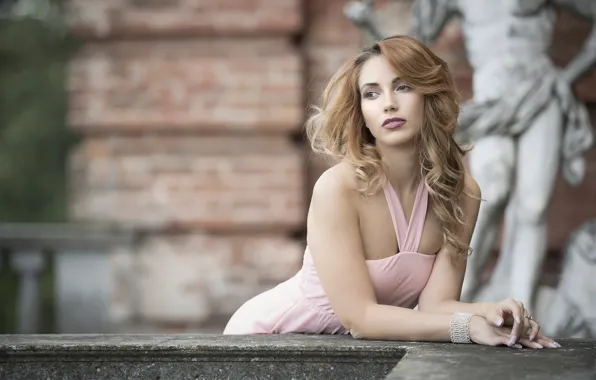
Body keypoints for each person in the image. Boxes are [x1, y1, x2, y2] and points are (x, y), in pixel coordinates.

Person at [223, 35, 560, 349]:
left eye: (403, 87)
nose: (388, 104)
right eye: (371, 93)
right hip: (267, 340)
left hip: (349, 353)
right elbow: (361, 318)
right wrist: (466, 327)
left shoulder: (461, 194)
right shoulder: (338, 188)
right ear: (362, 115)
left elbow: (435, 305)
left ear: (430, 96)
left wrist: (491, 314)